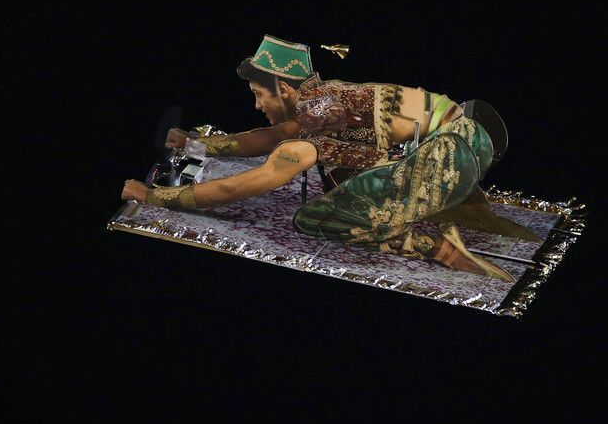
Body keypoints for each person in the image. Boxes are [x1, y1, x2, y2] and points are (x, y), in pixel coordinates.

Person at [121, 35, 537, 282]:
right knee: (352, 179)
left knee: (317, 218)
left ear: (285, 90)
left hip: (451, 151)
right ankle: (471, 213)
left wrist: (155, 197)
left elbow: (246, 177)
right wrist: (195, 145)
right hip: (472, 136)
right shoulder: (325, 104)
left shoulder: (315, 113)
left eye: (259, 95)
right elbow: (267, 137)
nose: (257, 106)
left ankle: (440, 248)